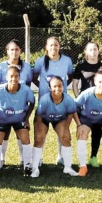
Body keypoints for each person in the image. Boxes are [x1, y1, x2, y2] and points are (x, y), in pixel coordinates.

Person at [32, 36, 74, 166]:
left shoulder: (67, 61)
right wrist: (45, 88)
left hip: (61, 102)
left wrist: (61, 89)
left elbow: (70, 77)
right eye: (50, 45)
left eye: (56, 45)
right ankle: (38, 159)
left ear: (59, 46)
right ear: (46, 47)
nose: (53, 48)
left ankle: (61, 157)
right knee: (40, 132)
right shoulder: (40, 61)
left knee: (62, 130)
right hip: (45, 103)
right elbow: (34, 78)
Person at [0, 39, 33, 167]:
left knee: (20, 133)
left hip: (20, 105)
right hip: (4, 107)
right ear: (7, 52)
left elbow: (27, 85)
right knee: (4, 134)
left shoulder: (26, 67)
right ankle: (1, 160)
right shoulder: (0, 67)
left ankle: (24, 160)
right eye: (11, 49)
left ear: (20, 51)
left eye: (16, 49)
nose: (14, 52)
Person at [0, 66, 36, 177]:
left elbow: (32, 103)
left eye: (16, 76)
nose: (13, 79)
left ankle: (27, 167)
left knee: (25, 138)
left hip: (19, 119)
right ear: (6, 77)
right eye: (11, 76)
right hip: (3, 119)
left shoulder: (25, 90)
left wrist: (26, 119)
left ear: (19, 77)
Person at [71, 41, 102, 168]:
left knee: (97, 131)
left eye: (95, 49)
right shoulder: (80, 66)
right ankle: (81, 160)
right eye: (90, 49)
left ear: (98, 51)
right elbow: (75, 85)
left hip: (100, 104)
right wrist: (79, 98)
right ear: (86, 52)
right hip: (85, 105)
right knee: (83, 131)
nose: (93, 51)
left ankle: (94, 156)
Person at [34, 76, 80, 177]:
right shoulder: (44, 99)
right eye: (54, 86)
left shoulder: (68, 99)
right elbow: (39, 116)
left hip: (59, 119)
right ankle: (35, 167)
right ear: (50, 88)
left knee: (66, 138)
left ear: (63, 87)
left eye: (60, 86)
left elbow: (71, 113)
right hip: (44, 118)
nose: (57, 89)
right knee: (39, 139)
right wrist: (39, 132)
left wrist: (67, 128)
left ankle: (68, 167)